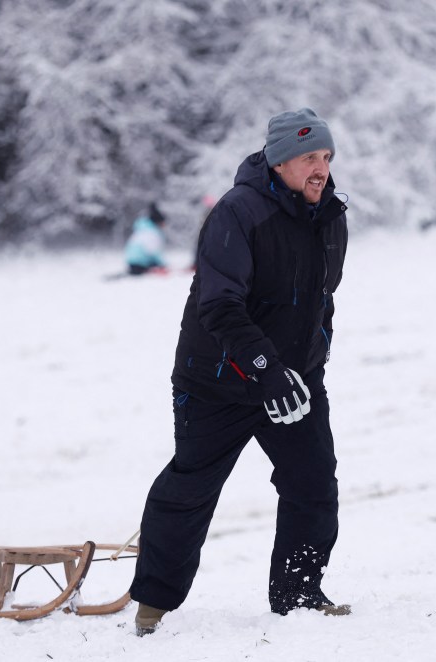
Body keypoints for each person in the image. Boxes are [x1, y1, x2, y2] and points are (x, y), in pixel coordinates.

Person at [129, 108, 350, 635]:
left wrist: (312, 359)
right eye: (307, 158)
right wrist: (264, 369)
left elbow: (324, 299)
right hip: (216, 382)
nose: (319, 168)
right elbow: (221, 306)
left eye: (325, 156)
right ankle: (152, 606)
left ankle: (298, 595)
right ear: (278, 163)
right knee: (192, 486)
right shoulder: (238, 214)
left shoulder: (331, 216)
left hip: (293, 382)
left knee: (313, 482)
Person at [125, 202, 168, 275]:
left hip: (132, 262)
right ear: (158, 222)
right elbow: (153, 251)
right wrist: (163, 264)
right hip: (140, 264)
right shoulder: (151, 233)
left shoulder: (143, 229)